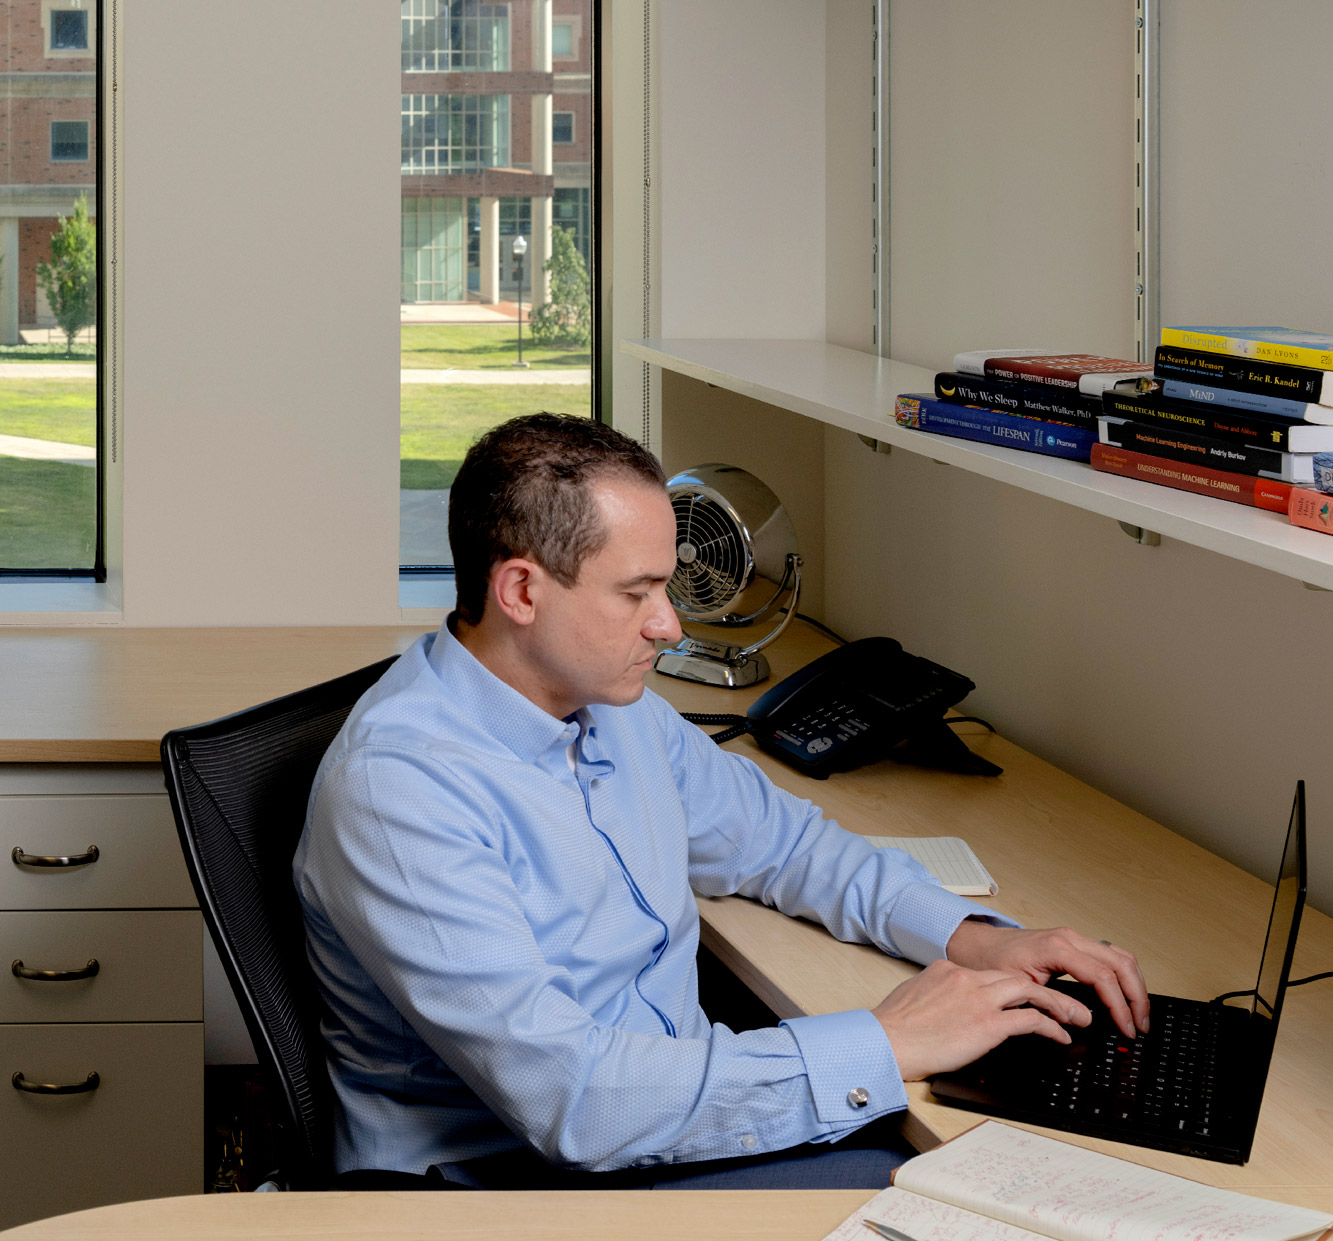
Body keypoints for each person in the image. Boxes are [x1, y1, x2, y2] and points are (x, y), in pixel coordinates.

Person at [294, 414, 1149, 1189]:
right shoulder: (401, 789)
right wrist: (885, 1041)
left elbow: (784, 846)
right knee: (971, 1197)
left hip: (663, 1113)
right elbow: (575, 1101)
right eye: (636, 593)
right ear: (521, 591)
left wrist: (974, 940)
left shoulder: (608, 702)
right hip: (515, 1180)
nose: (669, 625)